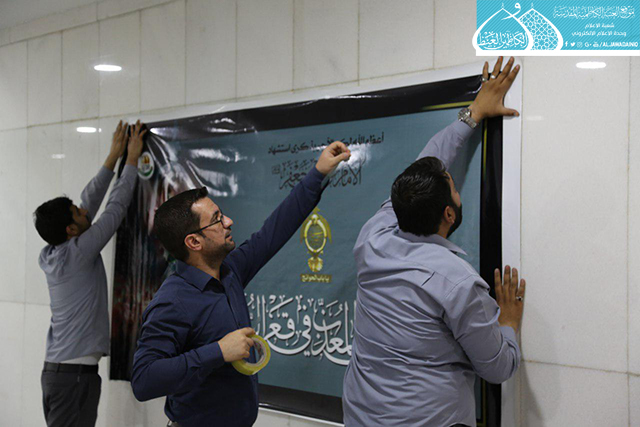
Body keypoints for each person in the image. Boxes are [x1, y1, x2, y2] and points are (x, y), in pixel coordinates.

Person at [342, 57, 526, 427]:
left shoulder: (373, 239)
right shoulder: (458, 282)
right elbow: (497, 367)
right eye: (454, 188)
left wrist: (473, 114)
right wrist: (507, 320)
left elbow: (425, 165)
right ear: (448, 214)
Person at [130, 141, 351, 426]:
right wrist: (219, 351)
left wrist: (318, 172)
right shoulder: (173, 301)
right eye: (217, 220)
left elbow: (273, 231)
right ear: (194, 242)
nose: (229, 221)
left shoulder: (229, 271)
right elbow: (144, 380)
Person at [34, 120, 146, 427]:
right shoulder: (79, 252)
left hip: (62, 373)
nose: (85, 210)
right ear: (71, 230)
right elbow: (115, 209)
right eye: (77, 213)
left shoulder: (54, 252)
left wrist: (112, 156)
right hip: (73, 378)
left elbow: (90, 203)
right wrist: (131, 159)